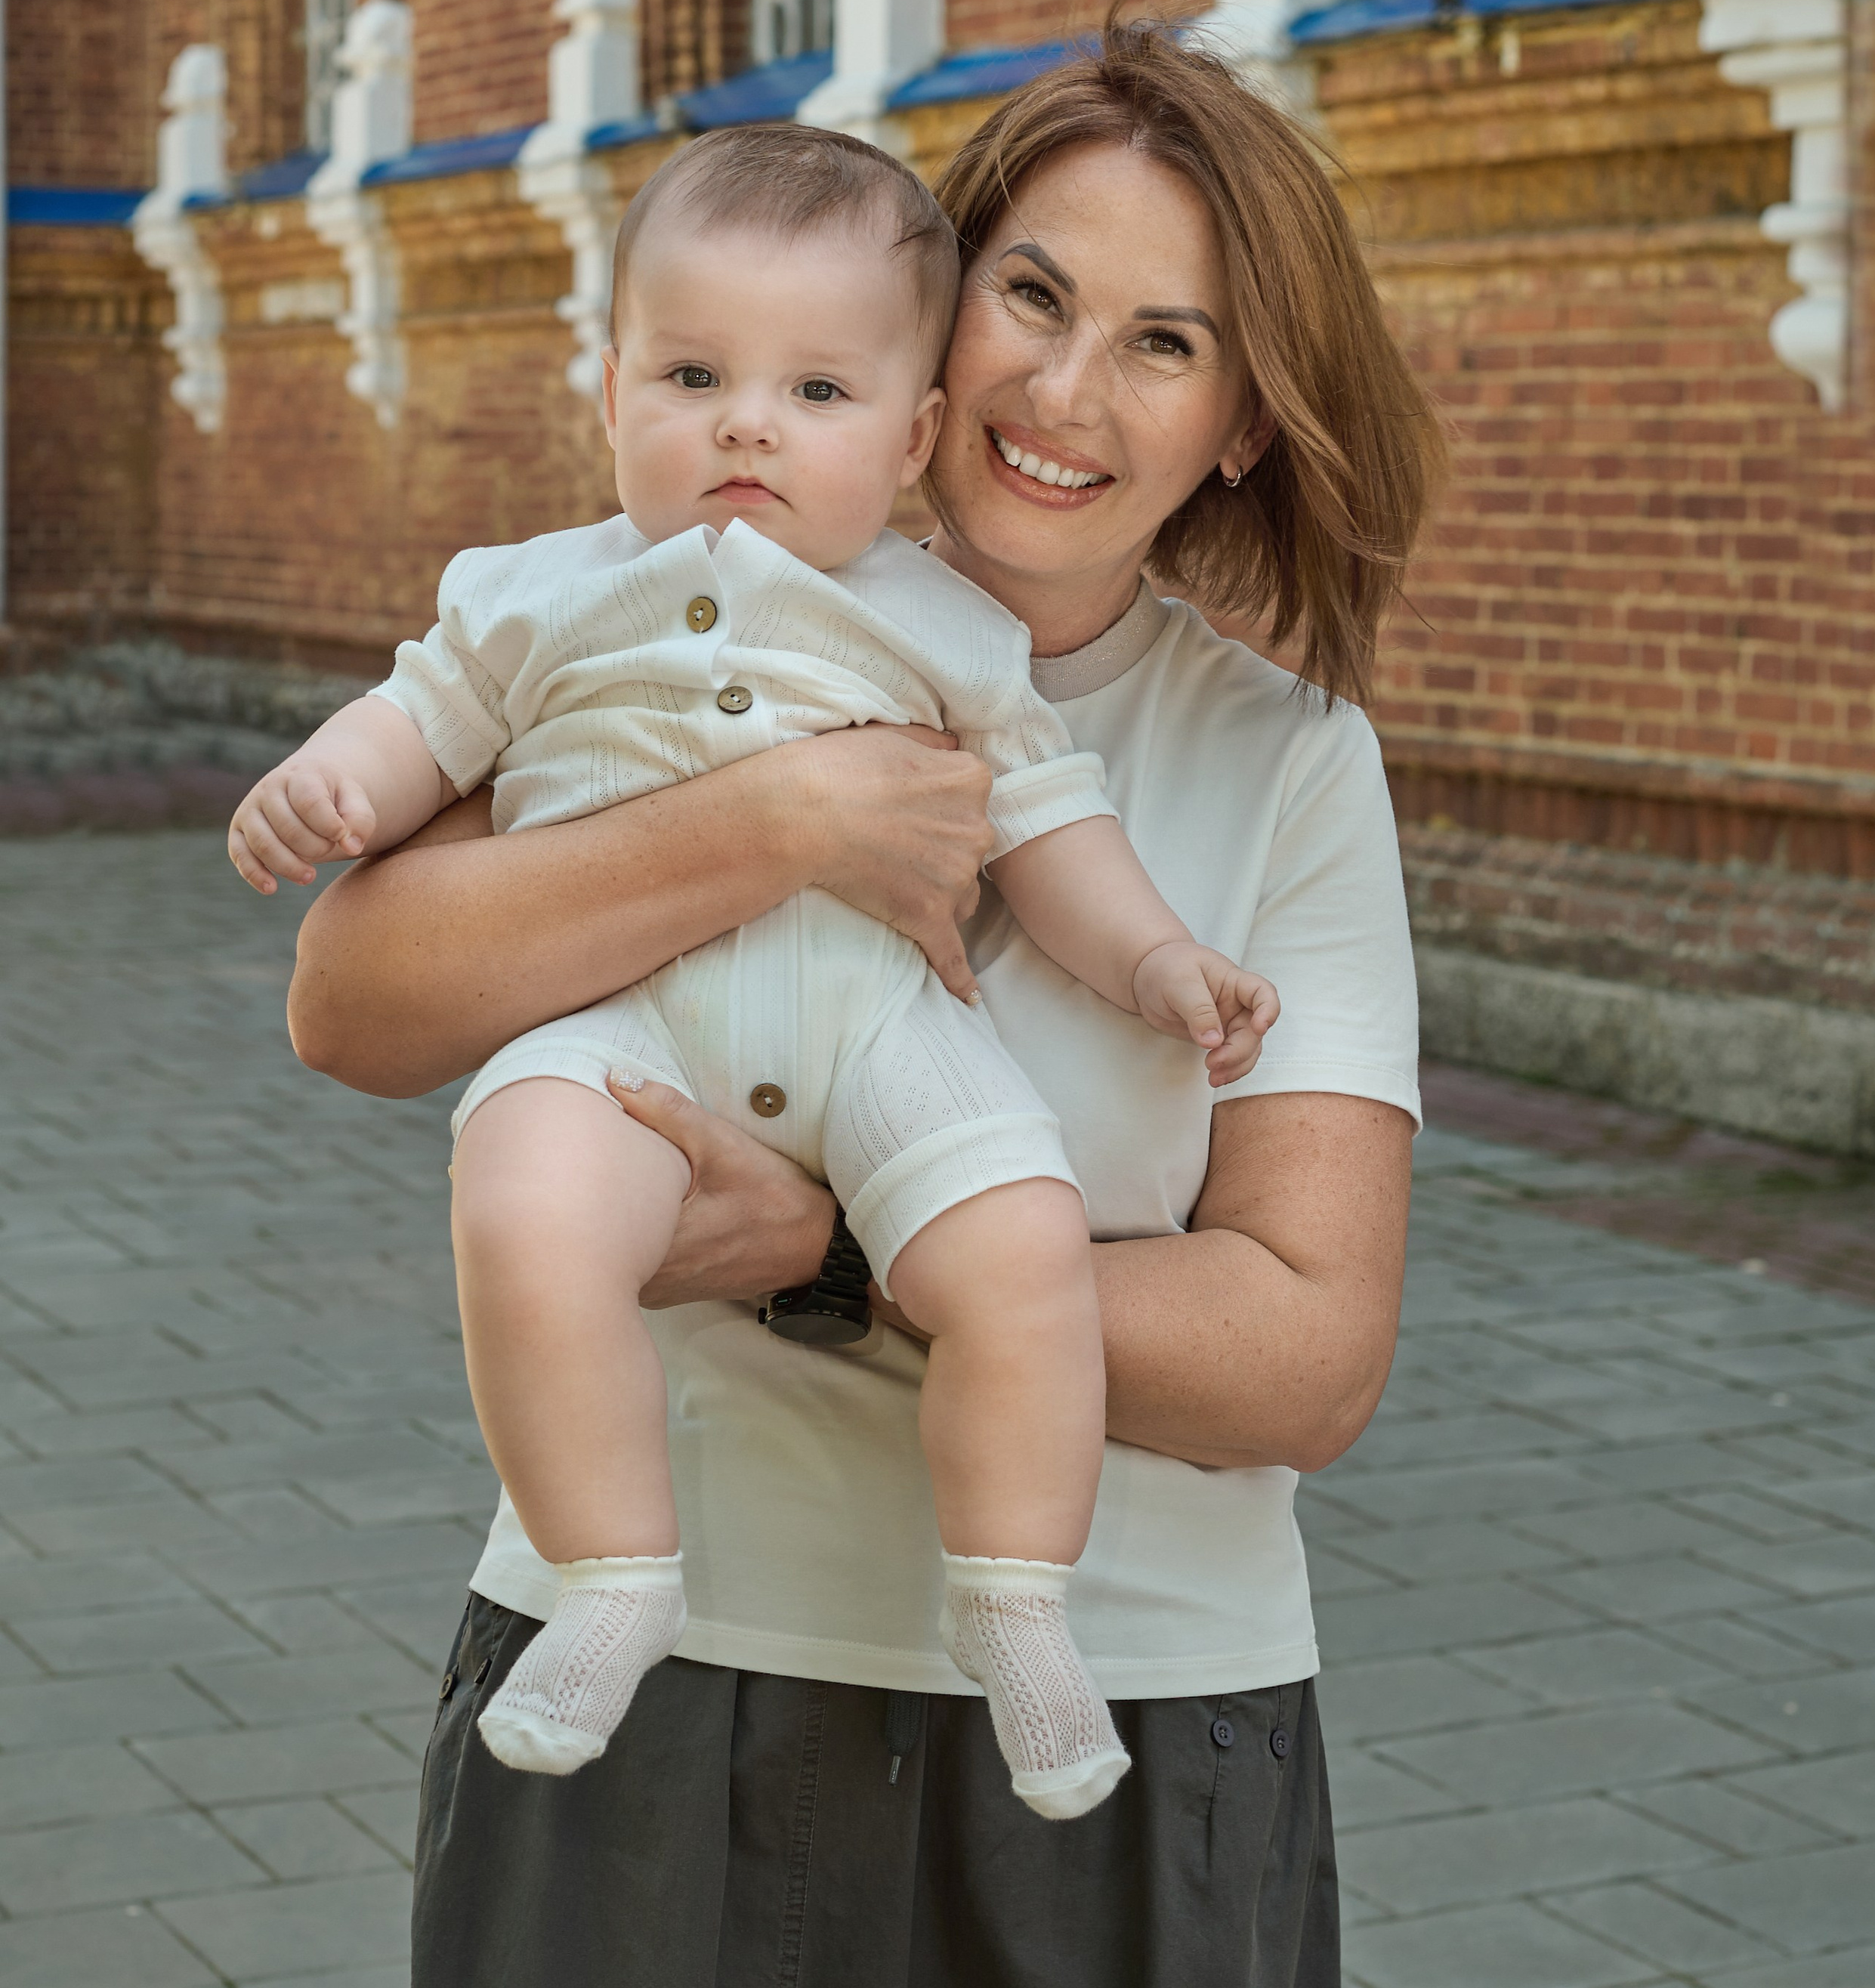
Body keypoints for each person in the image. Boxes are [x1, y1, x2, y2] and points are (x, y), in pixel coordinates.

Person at [292, 22, 1440, 1988]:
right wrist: (798, 813)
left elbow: (1305, 1345)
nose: (1070, 387)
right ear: (931, 331)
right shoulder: (667, 608)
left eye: (1170, 338)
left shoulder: (1280, 765)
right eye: (1035, 293)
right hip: (664, 1702)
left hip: (1127, 1738)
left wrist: (824, 1245)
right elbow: (360, 991)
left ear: (1244, 416)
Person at [229, 124, 1277, 1814]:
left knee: (1019, 1247)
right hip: (617, 1028)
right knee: (521, 1201)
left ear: (911, 432)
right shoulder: (533, 595)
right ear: (609, 386)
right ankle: (611, 1571)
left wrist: (1155, 956)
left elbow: (1048, 820)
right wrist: (328, 785)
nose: (743, 425)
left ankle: (1016, 1603)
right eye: (694, 372)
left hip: (873, 1026)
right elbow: (417, 726)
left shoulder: (941, 624)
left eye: (814, 393)